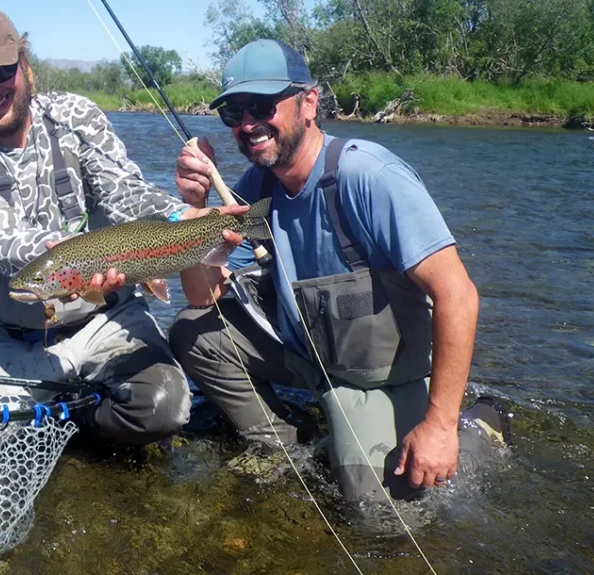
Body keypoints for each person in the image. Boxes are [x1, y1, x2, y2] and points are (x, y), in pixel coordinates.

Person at [169, 39, 510, 501]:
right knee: (194, 332)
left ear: (308, 101)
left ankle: (478, 425)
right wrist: (195, 209)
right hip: (310, 358)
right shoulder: (255, 188)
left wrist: (440, 425)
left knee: (380, 515)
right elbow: (200, 298)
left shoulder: (369, 177)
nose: (249, 124)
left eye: (262, 105)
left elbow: (459, 295)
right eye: (234, 113)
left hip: (382, 377)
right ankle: (281, 448)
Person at [0, 6, 241, 445]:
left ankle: (75, 421)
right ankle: (61, 412)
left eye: (0, 71)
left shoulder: (76, 115)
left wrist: (179, 216)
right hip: (17, 337)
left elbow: (124, 193)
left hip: (106, 316)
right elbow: (0, 241)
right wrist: (73, 261)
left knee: (165, 407)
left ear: (24, 63)